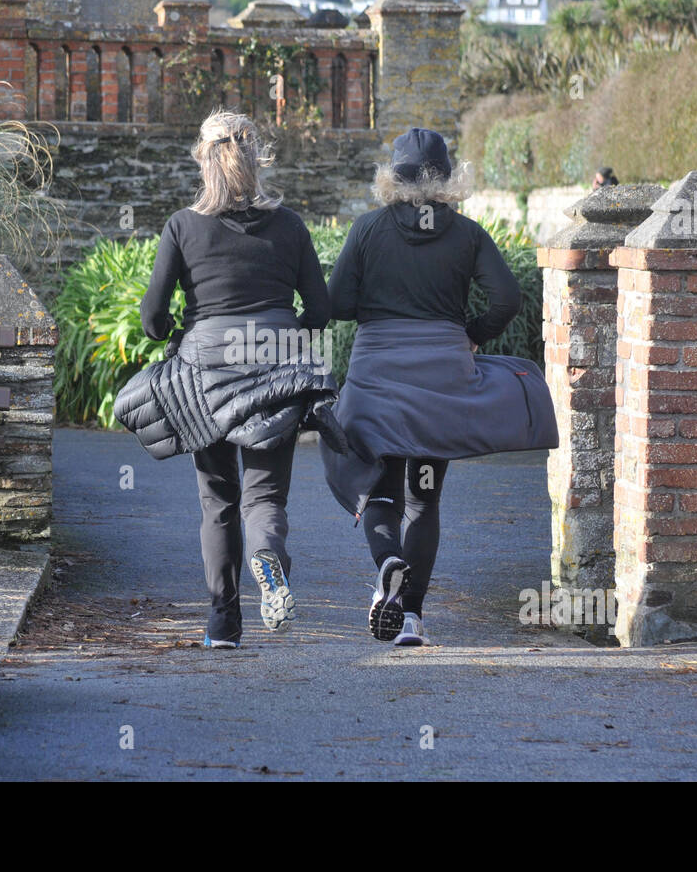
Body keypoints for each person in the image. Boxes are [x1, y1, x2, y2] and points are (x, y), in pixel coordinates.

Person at [116, 109, 342, 650]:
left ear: (203, 158)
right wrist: (286, 328)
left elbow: (152, 319)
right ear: (256, 157)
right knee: (265, 497)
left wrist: (175, 327)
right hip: (275, 368)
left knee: (217, 499)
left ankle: (223, 622)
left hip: (205, 374)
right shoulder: (288, 226)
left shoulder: (183, 225)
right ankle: (269, 557)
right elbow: (320, 310)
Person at [321, 127, 556, 647]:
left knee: (375, 489)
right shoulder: (468, 234)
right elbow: (508, 300)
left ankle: (387, 564)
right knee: (423, 502)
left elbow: (335, 303)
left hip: (377, 377)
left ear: (391, 179)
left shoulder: (367, 229)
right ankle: (411, 619)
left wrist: (378, 304)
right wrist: (470, 334)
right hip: (442, 380)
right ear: (449, 181)